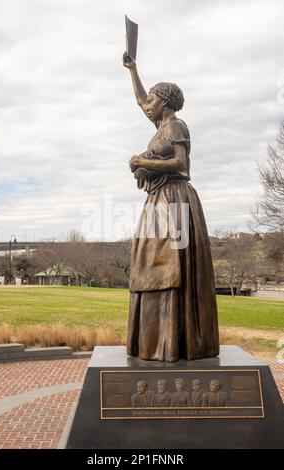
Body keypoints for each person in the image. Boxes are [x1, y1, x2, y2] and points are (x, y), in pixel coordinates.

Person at [123, 52, 219, 362]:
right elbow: (139, 100)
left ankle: (179, 340)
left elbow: (180, 162)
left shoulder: (176, 126)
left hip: (176, 198)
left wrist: (142, 161)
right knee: (149, 262)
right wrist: (132, 69)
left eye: (152, 99)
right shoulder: (157, 126)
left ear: (164, 101)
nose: (147, 104)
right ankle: (156, 339)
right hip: (157, 200)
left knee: (174, 266)